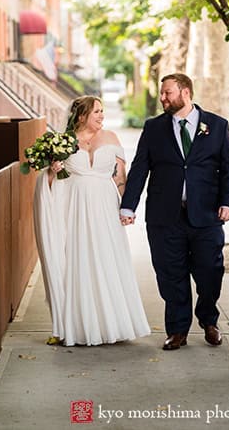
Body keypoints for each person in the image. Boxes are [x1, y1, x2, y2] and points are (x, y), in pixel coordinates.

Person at [121, 73, 229, 351]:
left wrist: (228, 202)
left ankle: (209, 320)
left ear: (185, 93)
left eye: (168, 93)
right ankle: (177, 330)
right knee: (170, 274)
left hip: (207, 215)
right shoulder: (153, 128)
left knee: (210, 270)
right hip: (164, 216)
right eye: (162, 93)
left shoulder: (217, 126)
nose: (163, 98)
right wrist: (128, 205)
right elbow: (140, 168)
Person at [33, 95, 150, 346]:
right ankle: (79, 326)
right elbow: (54, 181)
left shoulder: (111, 138)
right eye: (96, 111)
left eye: (102, 111)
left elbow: (120, 178)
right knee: (79, 260)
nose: (101, 116)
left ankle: (113, 322)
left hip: (105, 208)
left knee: (108, 258)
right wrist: (51, 172)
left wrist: (127, 207)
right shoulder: (63, 142)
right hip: (75, 208)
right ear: (82, 115)